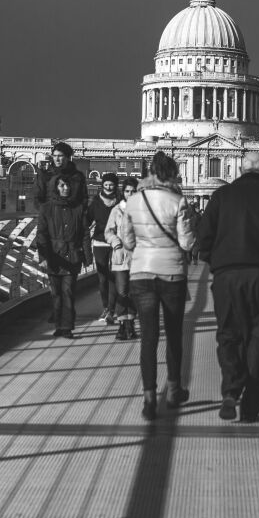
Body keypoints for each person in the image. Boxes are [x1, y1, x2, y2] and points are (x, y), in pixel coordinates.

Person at [194, 150, 259, 422]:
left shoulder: (220, 197)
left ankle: (230, 390)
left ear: (241, 170)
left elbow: (203, 238)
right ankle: (251, 406)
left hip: (226, 276)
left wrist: (217, 263)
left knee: (228, 334)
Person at [117, 152, 197, 420]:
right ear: (173, 172)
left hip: (141, 273)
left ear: (150, 172)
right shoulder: (178, 200)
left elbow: (127, 240)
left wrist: (142, 246)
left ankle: (149, 397)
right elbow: (187, 244)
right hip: (172, 273)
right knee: (174, 334)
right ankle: (174, 389)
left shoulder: (134, 201)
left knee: (148, 338)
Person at [34, 174, 88, 338]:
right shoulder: (46, 208)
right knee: (56, 294)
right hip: (54, 257)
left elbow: (84, 234)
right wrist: (43, 257)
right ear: (55, 188)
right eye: (62, 185)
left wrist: (87, 256)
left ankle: (67, 327)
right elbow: (41, 234)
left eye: (67, 185)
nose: (66, 188)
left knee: (68, 292)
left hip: (72, 256)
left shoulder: (78, 208)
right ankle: (59, 325)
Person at [105, 177, 140, 340]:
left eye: (133, 191)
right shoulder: (116, 210)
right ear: (123, 192)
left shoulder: (142, 210)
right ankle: (121, 325)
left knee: (133, 292)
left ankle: (130, 325)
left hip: (137, 257)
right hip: (120, 256)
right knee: (121, 292)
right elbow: (108, 231)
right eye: (127, 191)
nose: (130, 194)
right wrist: (115, 242)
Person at [87, 173, 123, 324]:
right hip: (100, 242)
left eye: (111, 184)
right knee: (102, 277)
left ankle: (112, 308)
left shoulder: (121, 202)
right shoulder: (96, 201)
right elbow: (87, 220)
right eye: (106, 184)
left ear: (115, 185)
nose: (108, 187)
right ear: (102, 185)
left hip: (116, 242)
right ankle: (106, 307)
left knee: (114, 276)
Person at [32, 141, 87, 210]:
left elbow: (83, 199)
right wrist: (47, 214)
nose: (56, 159)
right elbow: (37, 199)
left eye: (60, 156)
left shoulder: (78, 177)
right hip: (51, 218)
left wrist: (76, 215)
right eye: (54, 156)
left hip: (71, 218)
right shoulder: (44, 176)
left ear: (68, 157)